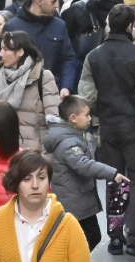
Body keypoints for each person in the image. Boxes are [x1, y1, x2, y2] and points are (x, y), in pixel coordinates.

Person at [78, 3, 135, 258]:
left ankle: (115, 236)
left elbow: (87, 95)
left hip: (108, 127)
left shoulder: (94, 56)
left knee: (116, 181)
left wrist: (98, 115)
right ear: (131, 26)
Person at [44, 94, 126, 253]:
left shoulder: (68, 136)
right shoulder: (68, 142)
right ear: (73, 118)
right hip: (74, 200)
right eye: (87, 115)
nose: (90, 118)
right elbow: (84, 165)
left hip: (76, 198)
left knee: (86, 236)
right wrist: (112, 173)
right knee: (91, 236)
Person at [3, 0, 80, 94]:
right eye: (53, 2)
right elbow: (5, 63)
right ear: (39, 1)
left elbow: (68, 58)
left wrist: (66, 86)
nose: (57, 6)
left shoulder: (59, 25)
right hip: (21, 93)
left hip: (53, 91)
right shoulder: (13, 26)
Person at [0, 30, 61, 153]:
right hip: (5, 150)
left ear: (20, 52)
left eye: (6, 49)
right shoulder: (1, 75)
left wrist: (46, 157)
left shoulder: (42, 76)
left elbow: (54, 121)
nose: (0, 54)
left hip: (33, 153)